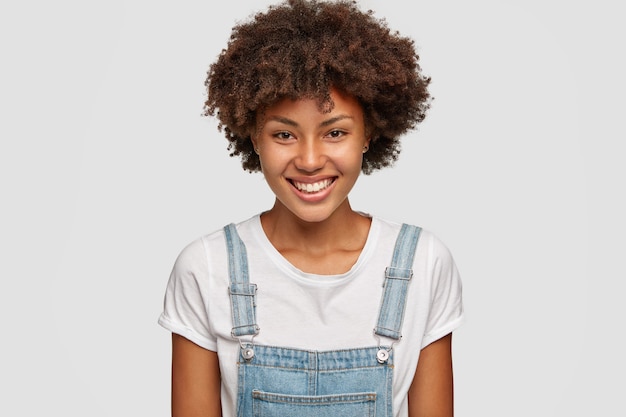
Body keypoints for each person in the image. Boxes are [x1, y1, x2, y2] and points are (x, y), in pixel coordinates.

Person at [158, 0, 464, 416]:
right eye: (284, 134)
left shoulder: (422, 264)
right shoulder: (207, 268)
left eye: (334, 131)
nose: (308, 159)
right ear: (252, 135)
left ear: (369, 132)